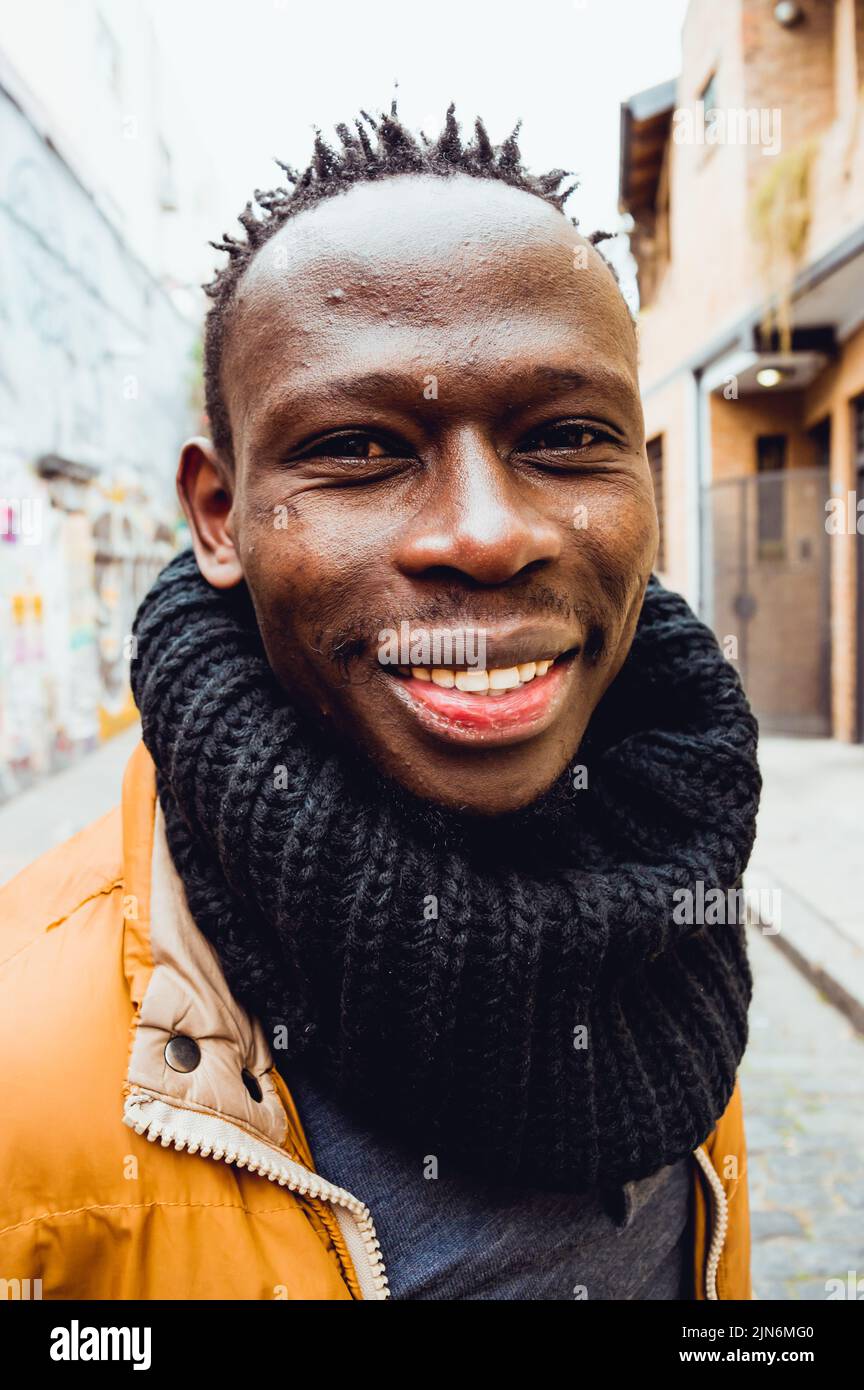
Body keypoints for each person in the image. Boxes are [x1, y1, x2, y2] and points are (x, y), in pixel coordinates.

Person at [0, 105, 759, 1300]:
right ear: (219, 514)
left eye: (566, 437)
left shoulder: (671, 902)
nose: (486, 533)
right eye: (357, 448)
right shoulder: (21, 1054)